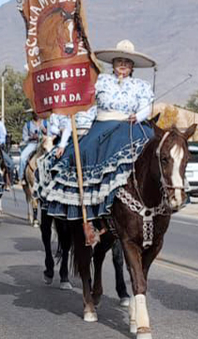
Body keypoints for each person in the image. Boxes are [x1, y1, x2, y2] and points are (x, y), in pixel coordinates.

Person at [40, 40, 156, 220]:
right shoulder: (100, 81)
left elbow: (146, 107)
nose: (123, 65)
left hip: (131, 126)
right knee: (83, 151)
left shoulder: (141, 86)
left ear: (132, 66)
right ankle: (87, 201)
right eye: (119, 61)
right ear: (113, 64)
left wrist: (138, 116)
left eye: (127, 62)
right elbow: (84, 100)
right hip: (102, 125)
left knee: (155, 150)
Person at [18, 109, 47, 182]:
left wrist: (45, 132)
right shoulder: (27, 125)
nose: (36, 115)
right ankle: (21, 177)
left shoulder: (46, 123)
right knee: (22, 157)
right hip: (32, 144)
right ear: (32, 114)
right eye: (35, 113)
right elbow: (24, 138)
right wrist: (31, 137)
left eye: (38, 112)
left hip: (44, 143)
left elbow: (52, 134)